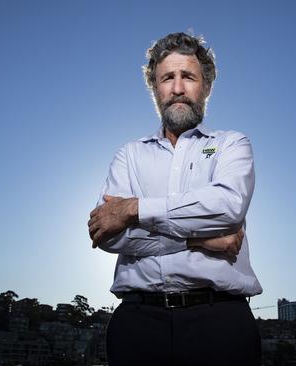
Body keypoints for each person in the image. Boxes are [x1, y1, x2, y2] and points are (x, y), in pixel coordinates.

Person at [88, 32, 262, 366]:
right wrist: (200, 239)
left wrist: (133, 209)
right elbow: (107, 233)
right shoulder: (129, 155)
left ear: (206, 87)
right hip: (137, 324)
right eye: (167, 77)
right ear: (154, 88)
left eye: (188, 77)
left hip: (221, 323)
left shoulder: (231, 144)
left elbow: (227, 208)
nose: (178, 88)